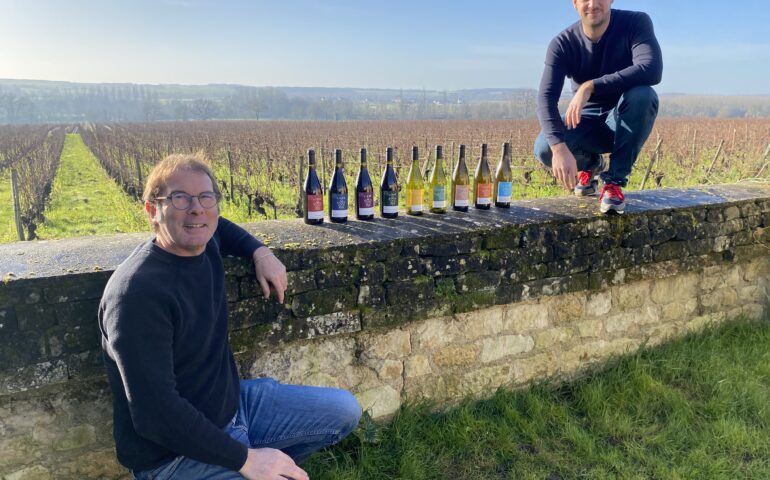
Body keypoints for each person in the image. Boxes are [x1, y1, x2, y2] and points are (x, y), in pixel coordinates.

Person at [98, 153, 361, 480]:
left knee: (345, 411)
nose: (196, 209)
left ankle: (272, 465)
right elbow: (156, 415)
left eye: (205, 197)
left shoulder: (204, 239)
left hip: (236, 406)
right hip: (174, 457)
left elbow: (221, 226)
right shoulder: (137, 294)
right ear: (152, 211)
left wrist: (259, 251)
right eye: (179, 199)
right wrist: (248, 461)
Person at [534, 0, 663, 214]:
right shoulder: (562, 43)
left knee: (644, 95)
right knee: (544, 149)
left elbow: (651, 69)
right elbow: (545, 98)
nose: (592, 4)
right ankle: (590, 164)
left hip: (624, 117)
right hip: (587, 122)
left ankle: (613, 183)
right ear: (575, 3)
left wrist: (591, 86)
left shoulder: (635, 23)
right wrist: (558, 148)